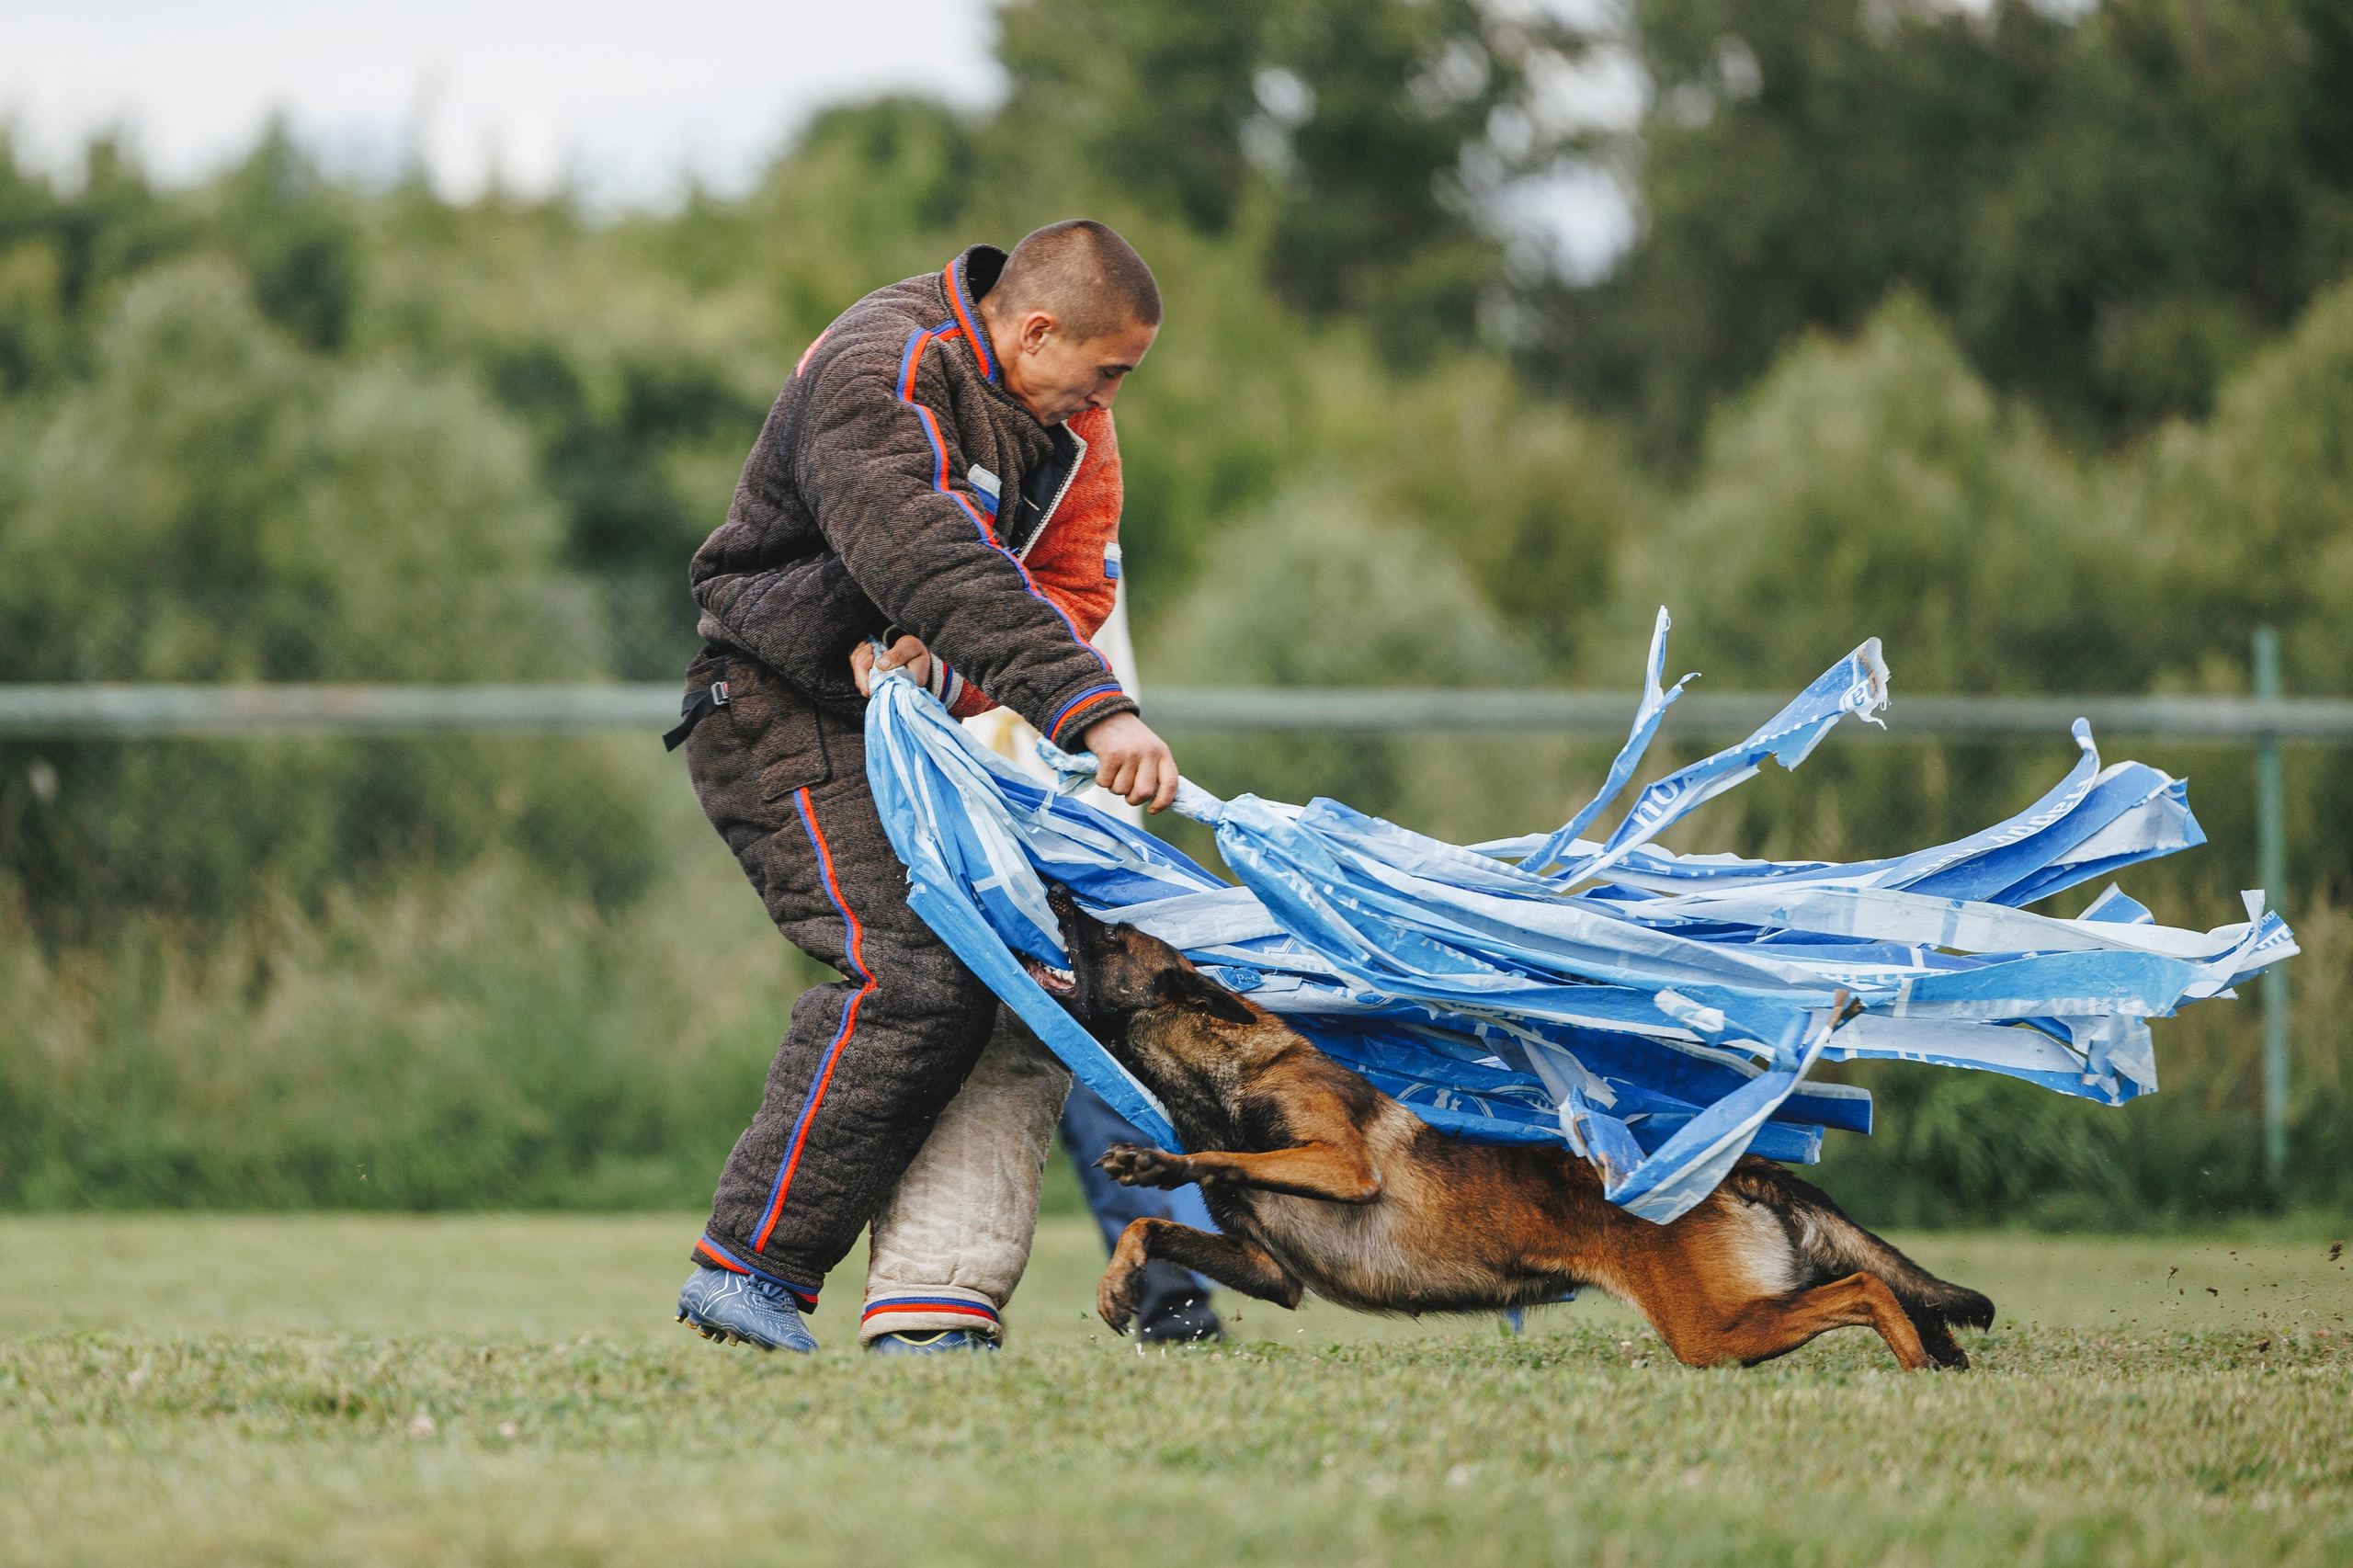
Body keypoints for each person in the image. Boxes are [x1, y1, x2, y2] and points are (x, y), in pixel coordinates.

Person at [667, 220, 1179, 1352]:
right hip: (774, 707)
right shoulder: (880, 364)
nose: (1106, 400)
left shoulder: (1074, 429)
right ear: (1037, 328)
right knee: (910, 960)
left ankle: (929, 1305)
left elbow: (1068, 585)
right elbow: (925, 552)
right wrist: (1094, 708)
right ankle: (750, 1264)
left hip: (900, 726)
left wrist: (945, 670)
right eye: (1105, 371)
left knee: (1004, 966)